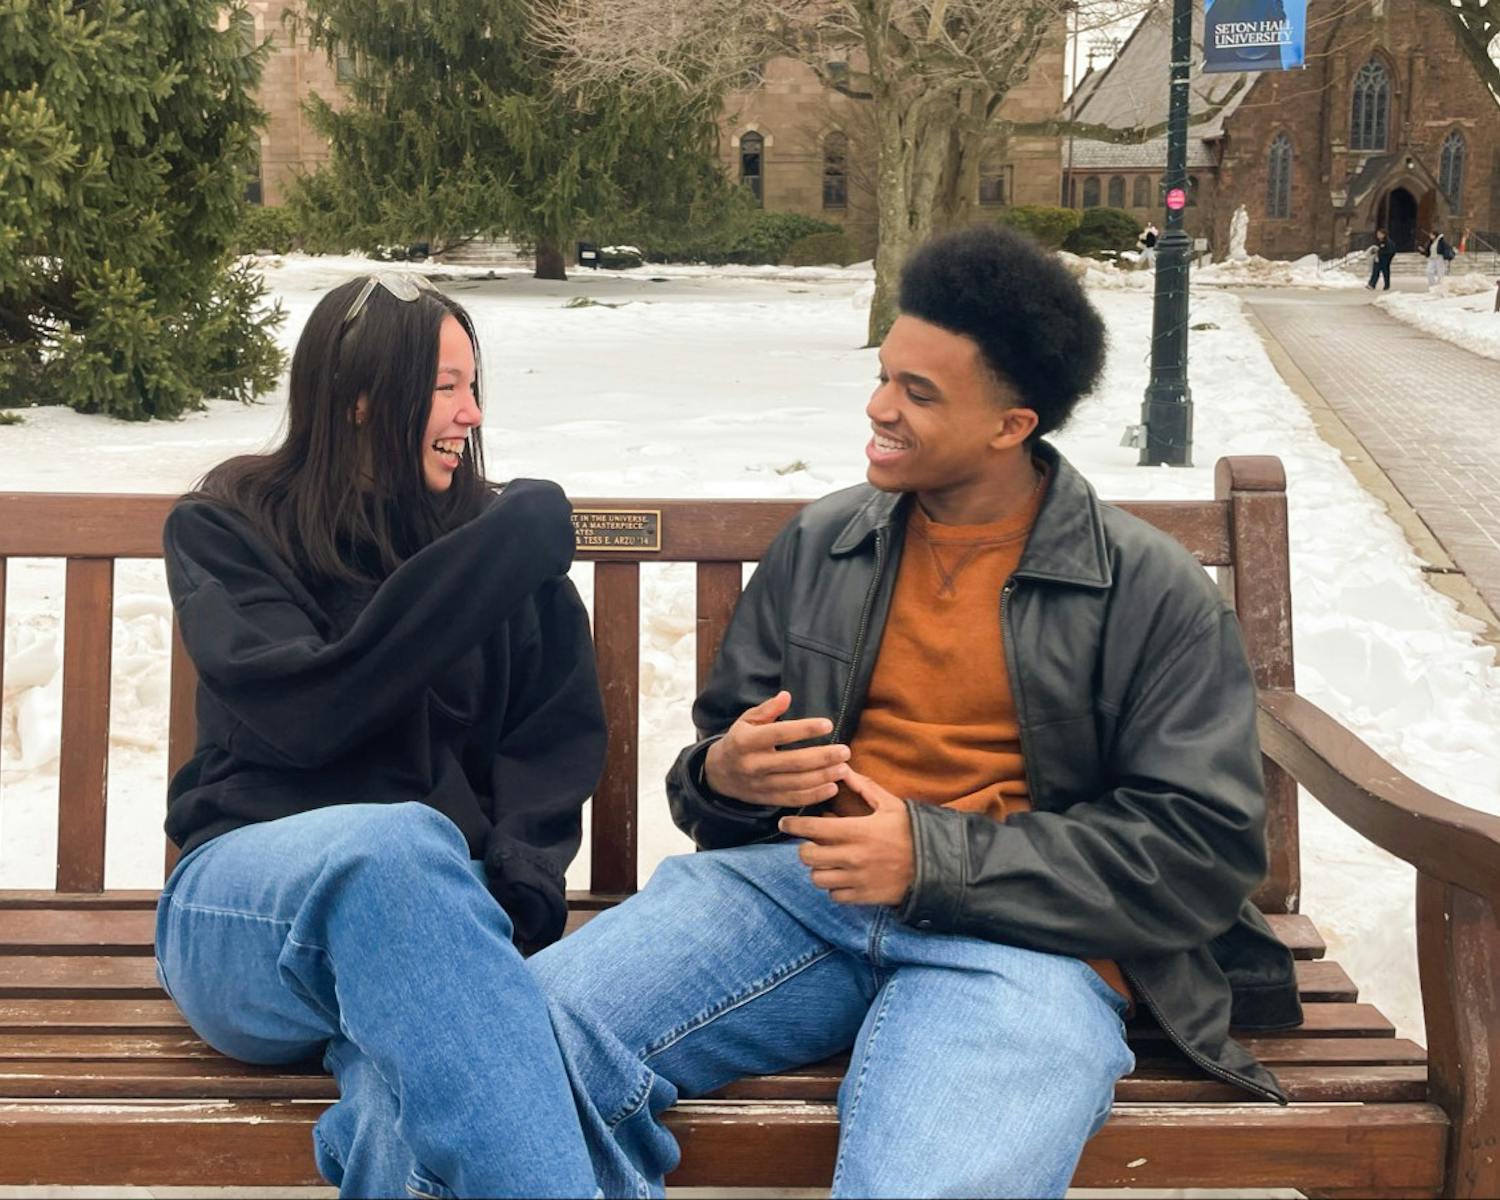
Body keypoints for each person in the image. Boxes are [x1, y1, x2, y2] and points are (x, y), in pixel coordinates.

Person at [532, 226, 1301, 1199]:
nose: (879, 406)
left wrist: (932, 859)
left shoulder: (1148, 590)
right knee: (519, 1045)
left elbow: (1201, 852)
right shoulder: (825, 543)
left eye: (919, 393)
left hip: (1030, 948)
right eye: (885, 376)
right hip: (800, 896)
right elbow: (719, 774)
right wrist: (726, 775)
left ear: (1012, 426)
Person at [154, 272, 605, 1199]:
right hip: (247, 916)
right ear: (361, 397)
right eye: (446, 388)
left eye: (474, 387)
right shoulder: (228, 528)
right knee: (395, 846)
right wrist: (494, 555)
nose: (472, 414)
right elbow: (308, 713)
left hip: (437, 938)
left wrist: (511, 903)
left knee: (402, 1109)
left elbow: (549, 750)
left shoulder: (497, 548)